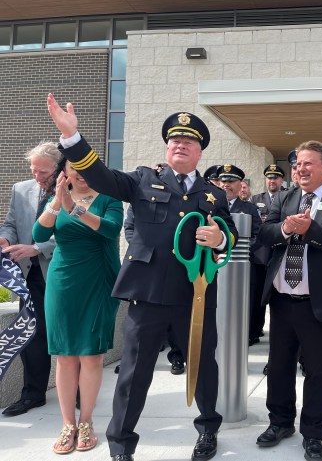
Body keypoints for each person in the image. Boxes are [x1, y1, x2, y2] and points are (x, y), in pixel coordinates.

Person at [47, 93, 238, 461]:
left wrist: (220, 238)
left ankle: (208, 430)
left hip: (194, 295)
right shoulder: (141, 179)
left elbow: (229, 233)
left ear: (200, 152)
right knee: (134, 374)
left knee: (203, 367)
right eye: (174, 141)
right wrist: (72, 138)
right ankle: (120, 444)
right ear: (167, 149)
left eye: (189, 141)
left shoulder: (213, 194)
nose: (180, 145)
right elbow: (100, 176)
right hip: (147, 294)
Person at [255, 141, 322, 461]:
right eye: (298, 163)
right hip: (283, 300)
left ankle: (313, 432)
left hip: (319, 302)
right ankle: (281, 422)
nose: (300, 169)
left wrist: (311, 229)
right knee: (280, 368)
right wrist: (286, 228)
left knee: (319, 372)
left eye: (308, 163)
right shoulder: (285, 198)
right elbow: (265, 234)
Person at [33, 160, 123, 454]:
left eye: (86, 168)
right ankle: (67, 424)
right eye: (75, 168)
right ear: (66, 172)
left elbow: (110, 230)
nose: (80, 174)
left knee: (92, 354)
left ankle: (86, 422)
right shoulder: (56, 197)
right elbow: (39, 235)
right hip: (63, 279)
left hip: (98, 277)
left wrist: (74, 207)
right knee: (66, 355)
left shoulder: (109, 199)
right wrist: (58, 203)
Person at [0, 142, 61, 417]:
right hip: (29, 275)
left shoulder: (73, 191)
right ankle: (33, 394)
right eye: (33, 171)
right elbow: (12, 223)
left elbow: (73, 234)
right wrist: (7, 238)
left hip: (63, 273)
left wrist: (38, 248)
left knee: (67, 333)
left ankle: (80, 392)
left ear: (58, 168)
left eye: (44, 172)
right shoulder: (20, 189)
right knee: (32, 334)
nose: (37, 177)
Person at [124, 200, 185, 376]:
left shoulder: (179, 198)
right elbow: (130, 229)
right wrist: (143, 249)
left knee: (174, 317)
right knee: (138, 318)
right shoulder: (140, 199)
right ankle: (132, 360)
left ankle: (177, 357)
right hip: (144, 265)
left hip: (174, 266)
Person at [217, 164, 262, 345]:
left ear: (240, 184)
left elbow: (258, 235)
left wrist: (241, 251)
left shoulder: (249, 209)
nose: (226, 185)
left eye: (231, 181)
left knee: (242, 305)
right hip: (216, 265)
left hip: (240, 266)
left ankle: (242, 338)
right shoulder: (209, 205)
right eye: (223, 181)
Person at [249, 164, 286, 348]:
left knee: (279, 298)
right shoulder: (255, 199)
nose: (272, 181)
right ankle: (254, 331)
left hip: (279, 255)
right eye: (269, 178)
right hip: (260, 257)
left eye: (276, 178)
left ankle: (280, 335)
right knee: (256, 297)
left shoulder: (287, 198)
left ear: (281, 180)